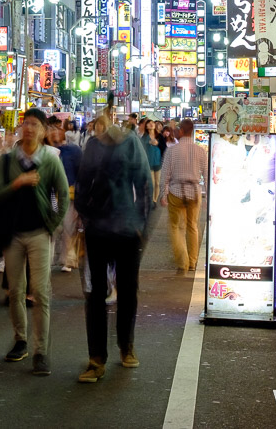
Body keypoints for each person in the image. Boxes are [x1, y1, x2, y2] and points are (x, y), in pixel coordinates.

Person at [74, 110, 152, 383]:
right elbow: (82, 185)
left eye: (105, 123)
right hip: (98, 228)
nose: (101, 129)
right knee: (95, 293)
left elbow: (144, 183)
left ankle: (126, 346)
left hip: (127, 227)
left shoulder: (131, 143)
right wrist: (85, 215)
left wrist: (142, 223)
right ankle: (96, 358)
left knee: (128, 290)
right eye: (97, 124)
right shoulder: (92, 147)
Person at [0, 107, 68, 376]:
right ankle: (20, 340)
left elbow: (63, 194)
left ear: (44, 130)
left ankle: (41, 352)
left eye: (35, 124)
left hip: (38, 233)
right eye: (26, 123)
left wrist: (52, 224)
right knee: (15, 290)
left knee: (41, 291)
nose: (29, 128)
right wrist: (18, 183)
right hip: (13, 234)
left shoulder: (50, 159)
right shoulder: (8, 159)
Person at [160, 119, 209, 273]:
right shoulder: (200, 151)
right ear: (193, 131)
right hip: (194, 191)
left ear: (181, 131)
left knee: (176, 227)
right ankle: (193, 262)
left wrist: (163, 193)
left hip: (176, 192)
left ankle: (183, 262)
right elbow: (206, 175)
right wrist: (208, 195)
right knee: (193, 226)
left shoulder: (172, 151)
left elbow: (165, 175)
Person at [47, 118, 82, 273]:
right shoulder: (45, 150)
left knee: (68, 228)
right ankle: (48, 258)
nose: (54, 134)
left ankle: (68, 258)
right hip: (50, 194)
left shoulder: (73, 150)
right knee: (52, 229)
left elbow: (81, 171)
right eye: (51, 131)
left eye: (57, 131)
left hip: (69, 193)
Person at [144, 121, 163, 203]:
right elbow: (141, 148)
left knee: (157, 183)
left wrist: (158, 144)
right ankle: (152, 200)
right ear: (146, 126)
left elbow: (164, 147)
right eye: (149, 123)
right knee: (152, 183)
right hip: (148, 163)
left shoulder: (159, 136)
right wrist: (148, 143)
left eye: (152, 123)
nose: (151, 124)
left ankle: (155, 199)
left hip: (158, 162)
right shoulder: (144, 137)